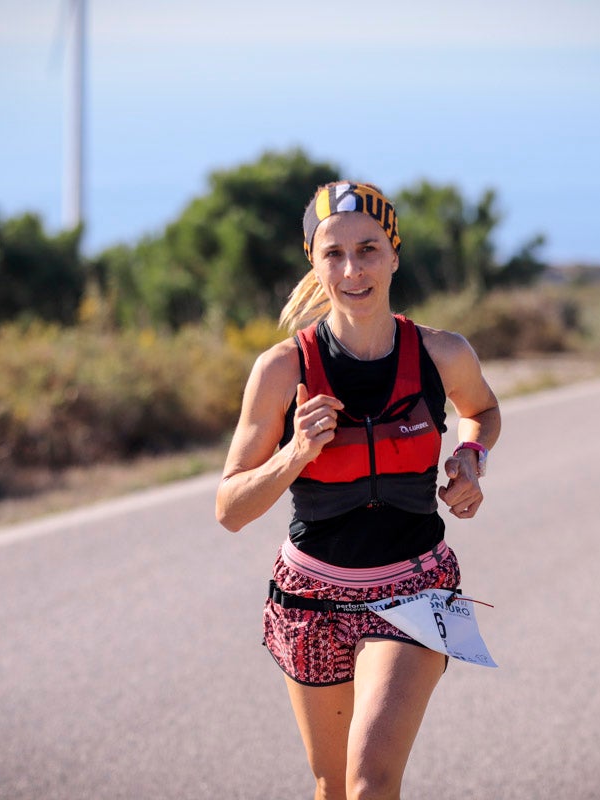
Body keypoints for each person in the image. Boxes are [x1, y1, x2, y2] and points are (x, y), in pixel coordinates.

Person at [215, 181, 501, 800]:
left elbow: (481, 409)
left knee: (370, 781)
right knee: (335, 785)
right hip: (311, 595)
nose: (353, 269)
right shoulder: (282, 369)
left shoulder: (441, 353)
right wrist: (295, 454)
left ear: (394, 254)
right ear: (314, 265)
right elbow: (230, 509)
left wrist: (471, 456)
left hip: (415, 588)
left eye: (368, 249)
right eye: (334, 254)